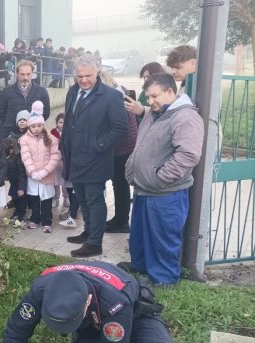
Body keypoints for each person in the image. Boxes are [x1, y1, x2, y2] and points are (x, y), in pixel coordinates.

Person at [1, 261, 175, 343]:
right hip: (90, 324)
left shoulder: (116, 301)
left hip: (133, 312)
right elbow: (15, 333)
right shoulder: (41, 289)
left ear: (88, 301)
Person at [123, 73, 204, 285]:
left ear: (170, 92)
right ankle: (140, 268)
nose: (150, 102)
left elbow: (188, 155)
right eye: (147, 97)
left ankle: (164, 280)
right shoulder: (157, 112)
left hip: (166, 192)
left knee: (163, 238)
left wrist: (160, 178)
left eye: (154, 96)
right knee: (140, 235)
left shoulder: (185, 117)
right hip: (144, 187)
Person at [60, 54, 127, 258]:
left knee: (94, 200)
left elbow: (120, 128)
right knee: (81, 197)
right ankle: (88, 232)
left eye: (88, 75)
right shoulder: (73, 91)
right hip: (74, 157)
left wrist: (97, 145)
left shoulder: (111, 96)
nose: (84, 80)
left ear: (97, 72)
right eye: (79, 76)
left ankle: (95, 243)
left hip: (95, 159)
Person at [97, 71, 138, 234]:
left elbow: (119, 128)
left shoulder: (115, 99)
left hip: (122, 149)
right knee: (119, 184)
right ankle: (120, 218)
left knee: (121, 184)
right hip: (124, 147)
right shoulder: (120, 95)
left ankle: (121, 221)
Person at [19, 101, 60, 233]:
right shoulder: (24, 139)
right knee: (34, 198)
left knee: (47, 199)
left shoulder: (51, 139)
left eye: (39, 125)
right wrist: (32, 171)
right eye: (33, 126)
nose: (36, 128)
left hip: (46, 175)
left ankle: (47, 220)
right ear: (29, 127)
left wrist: (45, 171)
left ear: (43, 125)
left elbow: (55, 156)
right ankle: (35, 218)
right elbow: (26, 156)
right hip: (33, 176)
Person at [0, 60, 51, 140]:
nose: (25, 78)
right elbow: (1, 113)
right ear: (16, 74)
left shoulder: (42, 91)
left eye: (28, 74)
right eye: (22, 74)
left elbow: (46, 113)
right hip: (11, 135)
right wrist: (14, 124)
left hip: (34, 136)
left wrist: (34, 124)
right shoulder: (6, 92)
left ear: (32, 74)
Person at [2, 110, 29, 228]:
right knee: (15, 196)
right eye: (20, 120)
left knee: (22, 196)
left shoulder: (17, 159)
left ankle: (22, 215)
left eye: (24, 120)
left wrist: (22, 187)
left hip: (21, 176)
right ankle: (17, 212)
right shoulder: (11, 136)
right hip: (13, 180)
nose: (22, 122)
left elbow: (22, 174)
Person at [50, 113, 68, 208]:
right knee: (55, 182)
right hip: (56, 162)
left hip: (65, 161)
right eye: (60, 122)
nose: (62, 124)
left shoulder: (69, 132)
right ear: (57, 123)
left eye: (64, 123)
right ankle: (55, 198)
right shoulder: (52, 133)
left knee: (65, 182)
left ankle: (66, 197)